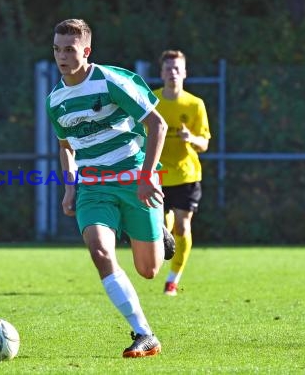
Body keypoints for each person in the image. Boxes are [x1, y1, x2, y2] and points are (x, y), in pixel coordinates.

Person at [46, 19, 169, 358]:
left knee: (149, 270)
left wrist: (146, 177)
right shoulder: (55, 100)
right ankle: (144, 333)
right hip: (93, 187)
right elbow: (66, 147)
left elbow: (157, 125)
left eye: (69, 49)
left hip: (133, 178)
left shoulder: (110, 81)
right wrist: (70, 188)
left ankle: (160, 226)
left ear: (86, 51)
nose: (62, 56)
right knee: (100, 252)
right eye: (57, 49)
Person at [153, 50, 211, 296]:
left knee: (183, 227)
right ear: (162, 72)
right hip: (157, 174)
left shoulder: (194, 104)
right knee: (159, 226)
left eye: (177, 69)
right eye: (168, 68)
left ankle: (173, 279)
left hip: (186, 174)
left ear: (185, 73)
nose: (172, 73)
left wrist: (192, 138)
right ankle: (162, 241)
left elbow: (205, 143)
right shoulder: (152, 101)